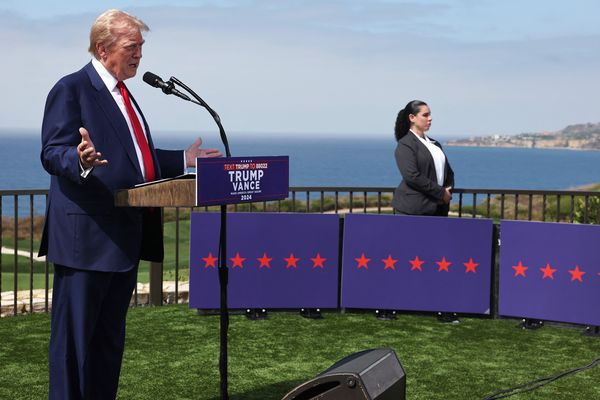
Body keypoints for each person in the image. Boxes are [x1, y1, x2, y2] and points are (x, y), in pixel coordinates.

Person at [39, 9, 222, 399]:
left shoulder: (125, 95)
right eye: (132, 46)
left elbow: (135, 156)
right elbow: (53, 152)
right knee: (73, 348)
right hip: (85, 240)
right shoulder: (71, 88)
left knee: (108, 346)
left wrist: (184, 161)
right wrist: (80, 159)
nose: (139, 54)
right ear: (104, 49)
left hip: (122, 239)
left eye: (141, 46)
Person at [391, 100, 454, 216]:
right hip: (414, 210)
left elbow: (449, 173)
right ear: (412, 117)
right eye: (425, 115)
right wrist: (440, 193)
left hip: (439, 208)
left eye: (430, 114)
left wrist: (448, 191)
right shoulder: (405, 144)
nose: (430, 118)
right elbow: (412, 176)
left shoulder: (435, 144)